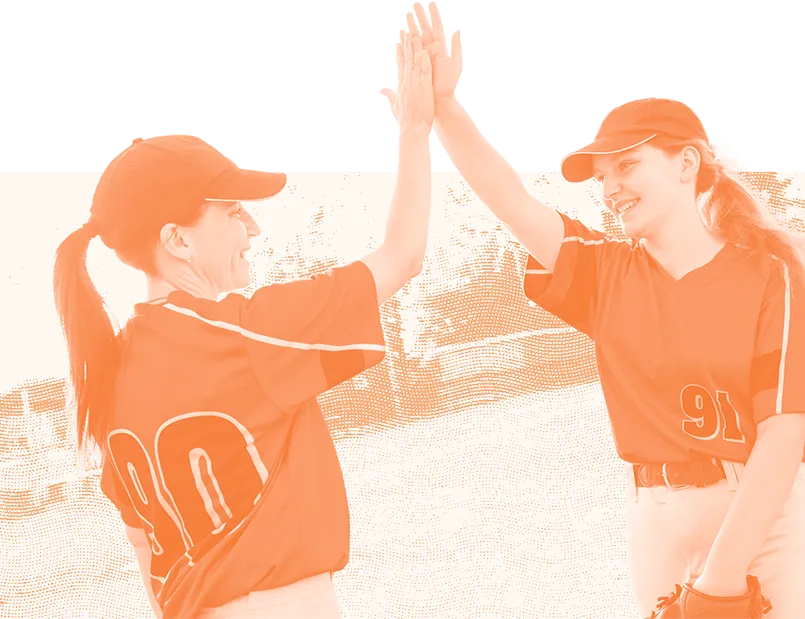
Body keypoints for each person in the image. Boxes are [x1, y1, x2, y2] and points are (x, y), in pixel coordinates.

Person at [401, 2, 805, 617]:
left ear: (687, 164)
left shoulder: (767, 274)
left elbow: (784, 435)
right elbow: (510, 200)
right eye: (602, 176)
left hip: (760, 516)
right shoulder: (604, 274)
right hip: (656, 522)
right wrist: (446, 109)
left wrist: (720, 583)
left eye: (627, 165)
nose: (610, 187)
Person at [52, 32, 434, 619]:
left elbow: (142, 550)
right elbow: (404, 255)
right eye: (231, 212)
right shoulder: (241, 332)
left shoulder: (109, 372)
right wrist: (415, 129)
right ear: (176, 240)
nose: (251, 230)